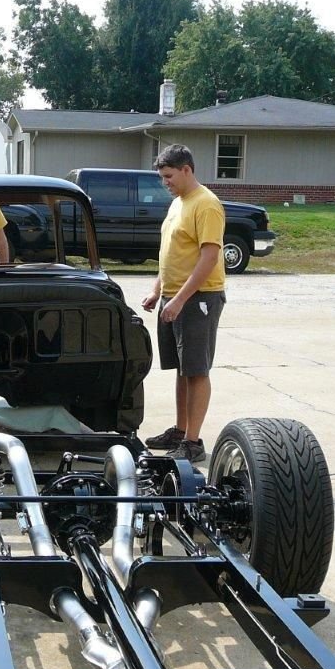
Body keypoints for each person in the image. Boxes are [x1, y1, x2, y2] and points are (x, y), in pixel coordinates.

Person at [140, 144, 226, 463]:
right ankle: (180, 430)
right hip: (174, 296)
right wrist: (158, 290)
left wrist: (179, 299)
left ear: (187, 169)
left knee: (196, 370)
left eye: (169, 176)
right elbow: (172, 252)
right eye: (163, 177)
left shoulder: (206, 204)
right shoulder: (179, 203)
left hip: (198, 299)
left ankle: (193, 442)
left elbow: (209, 257)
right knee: (181, 368)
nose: (165, 182)